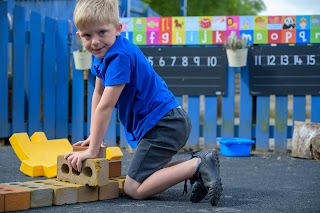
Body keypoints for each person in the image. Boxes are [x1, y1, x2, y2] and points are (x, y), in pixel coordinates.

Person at [64, 0, 222, 206]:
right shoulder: (101, 54)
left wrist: (92, 150)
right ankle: (199, 165)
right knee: (147, 175)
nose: (94, 41)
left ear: (118, 29)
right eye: (87, 35)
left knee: (133, 188)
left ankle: (199, 164)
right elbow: (98, 94)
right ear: (79, 36)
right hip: (164, 122)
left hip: (165, 125)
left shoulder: (119, 56)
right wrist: (94, 137)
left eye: (102, 32)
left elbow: (106, 105)